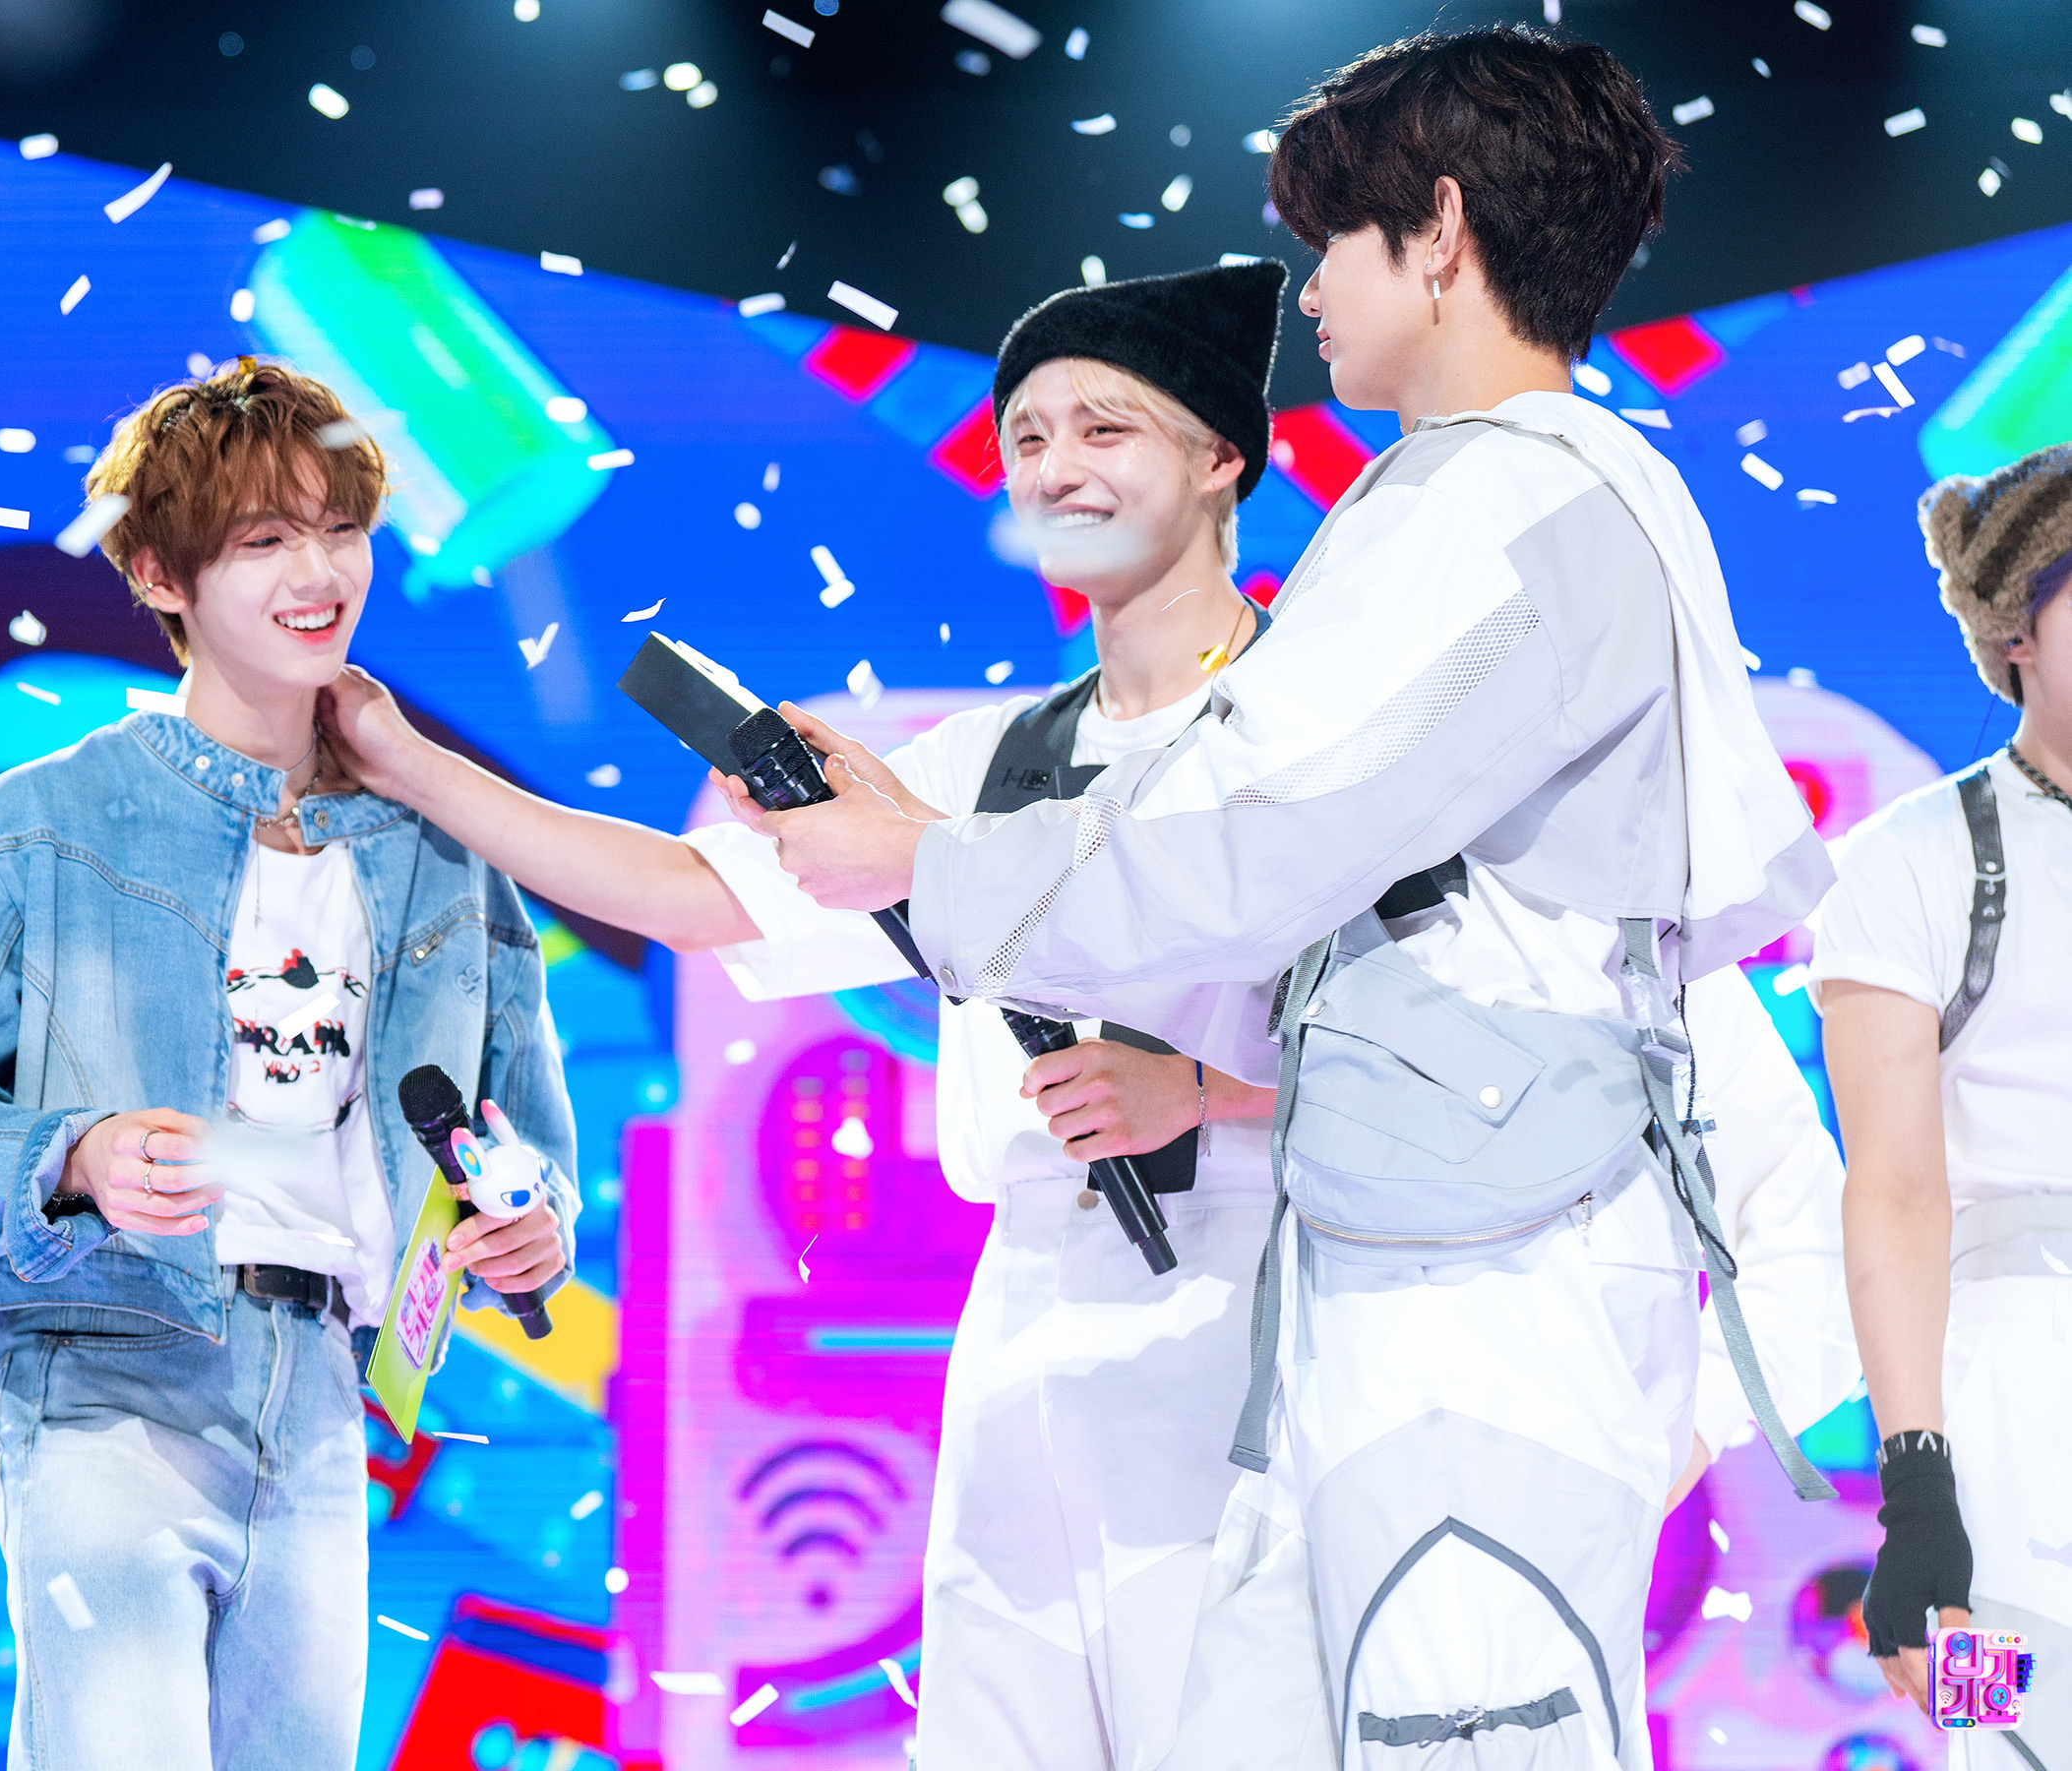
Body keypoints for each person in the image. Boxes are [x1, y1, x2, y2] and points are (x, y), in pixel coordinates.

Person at [736, 28, 1857, 1767]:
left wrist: (927, 863)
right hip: (1431, 1276)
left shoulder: (1494, 501)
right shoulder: (1572, 488)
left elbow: (1253, 840)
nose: (1313, 290)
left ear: (1443, 229)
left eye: (1338, 238)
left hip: (1480, 1303)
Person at [325, 264, 1294, 1770]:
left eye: (1105, 427)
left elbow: (1476, 1040)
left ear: (1222, 453)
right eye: (1028, 437)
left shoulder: (1324, 729)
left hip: (1255, 1305)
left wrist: (1210, 1093)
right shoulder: (987, 761)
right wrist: (408, 763)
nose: (1057, 467)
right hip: (1027, 1320)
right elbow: (694, 896)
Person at [0, 360, 579, 1771]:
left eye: (341, 530)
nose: (319, 573)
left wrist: (531, 1227)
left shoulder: (443, 856)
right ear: (157, 572)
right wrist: (73, 1154)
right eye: (265, 539)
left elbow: (525, 1141)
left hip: (329, 1392)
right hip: (109, 1368)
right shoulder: (37, 826)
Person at [1813, 445, 2072, 1767]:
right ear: (2018, 625)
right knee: (2000, 1745)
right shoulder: (1910, 861)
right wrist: (1917, 1497)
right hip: (2007, 1396)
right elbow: (1897, 1193)